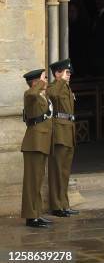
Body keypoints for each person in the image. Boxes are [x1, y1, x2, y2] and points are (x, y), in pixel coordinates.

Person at [21, 69, 53, 228]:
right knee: (31, 182)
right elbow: (32, 94)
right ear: (34, 82)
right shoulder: (30, 95)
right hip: (34, 143)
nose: (46, 80)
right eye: (43, 78)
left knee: (37, 180)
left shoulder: (42, 95)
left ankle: (36, 214)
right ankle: (30, 216)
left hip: (41, 143)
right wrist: (39, 83)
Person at [47, 58, 78, 217]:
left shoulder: (66, 89)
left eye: (69, 72)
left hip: (68, 132)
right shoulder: (54, 86)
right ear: (57, 73)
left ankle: (64, 204)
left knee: (65, 172)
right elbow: (50, 95)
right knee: (57, 171)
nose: (69, 75)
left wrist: (63, 82)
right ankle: (56, 206)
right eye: (66, 72)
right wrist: (59, 81)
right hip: (59, 134)